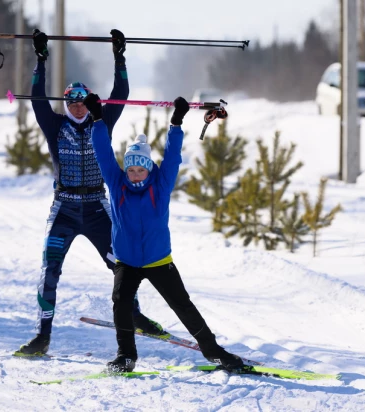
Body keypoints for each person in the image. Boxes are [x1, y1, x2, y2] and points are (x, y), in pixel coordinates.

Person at [15, 29, 165, 357]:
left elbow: (121, 91)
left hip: (98, 207)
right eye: (71, 101)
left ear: (90, 101)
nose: (78, 107)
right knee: (49, 269)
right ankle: (42, 335)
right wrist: (41, 60)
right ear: (66, 103)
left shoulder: (102, 121)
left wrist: (119, 57)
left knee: (123, 263)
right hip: (65, 209)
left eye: (83, 101)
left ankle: (135, 314)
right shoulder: (54, 125)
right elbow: (37, 97)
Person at [83, 93, 245, 373]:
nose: (134, 174)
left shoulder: (160, 187)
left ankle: (213, 351)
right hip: (127, 262)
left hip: (158, 260)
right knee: (121, 303)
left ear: (148, 170)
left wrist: (177, 123)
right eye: (130, 169)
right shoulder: (117, 184)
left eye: (139, 169)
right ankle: (126, 356)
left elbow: (171, 158)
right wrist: (97, 118)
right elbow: (103, 152)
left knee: (182, 305)